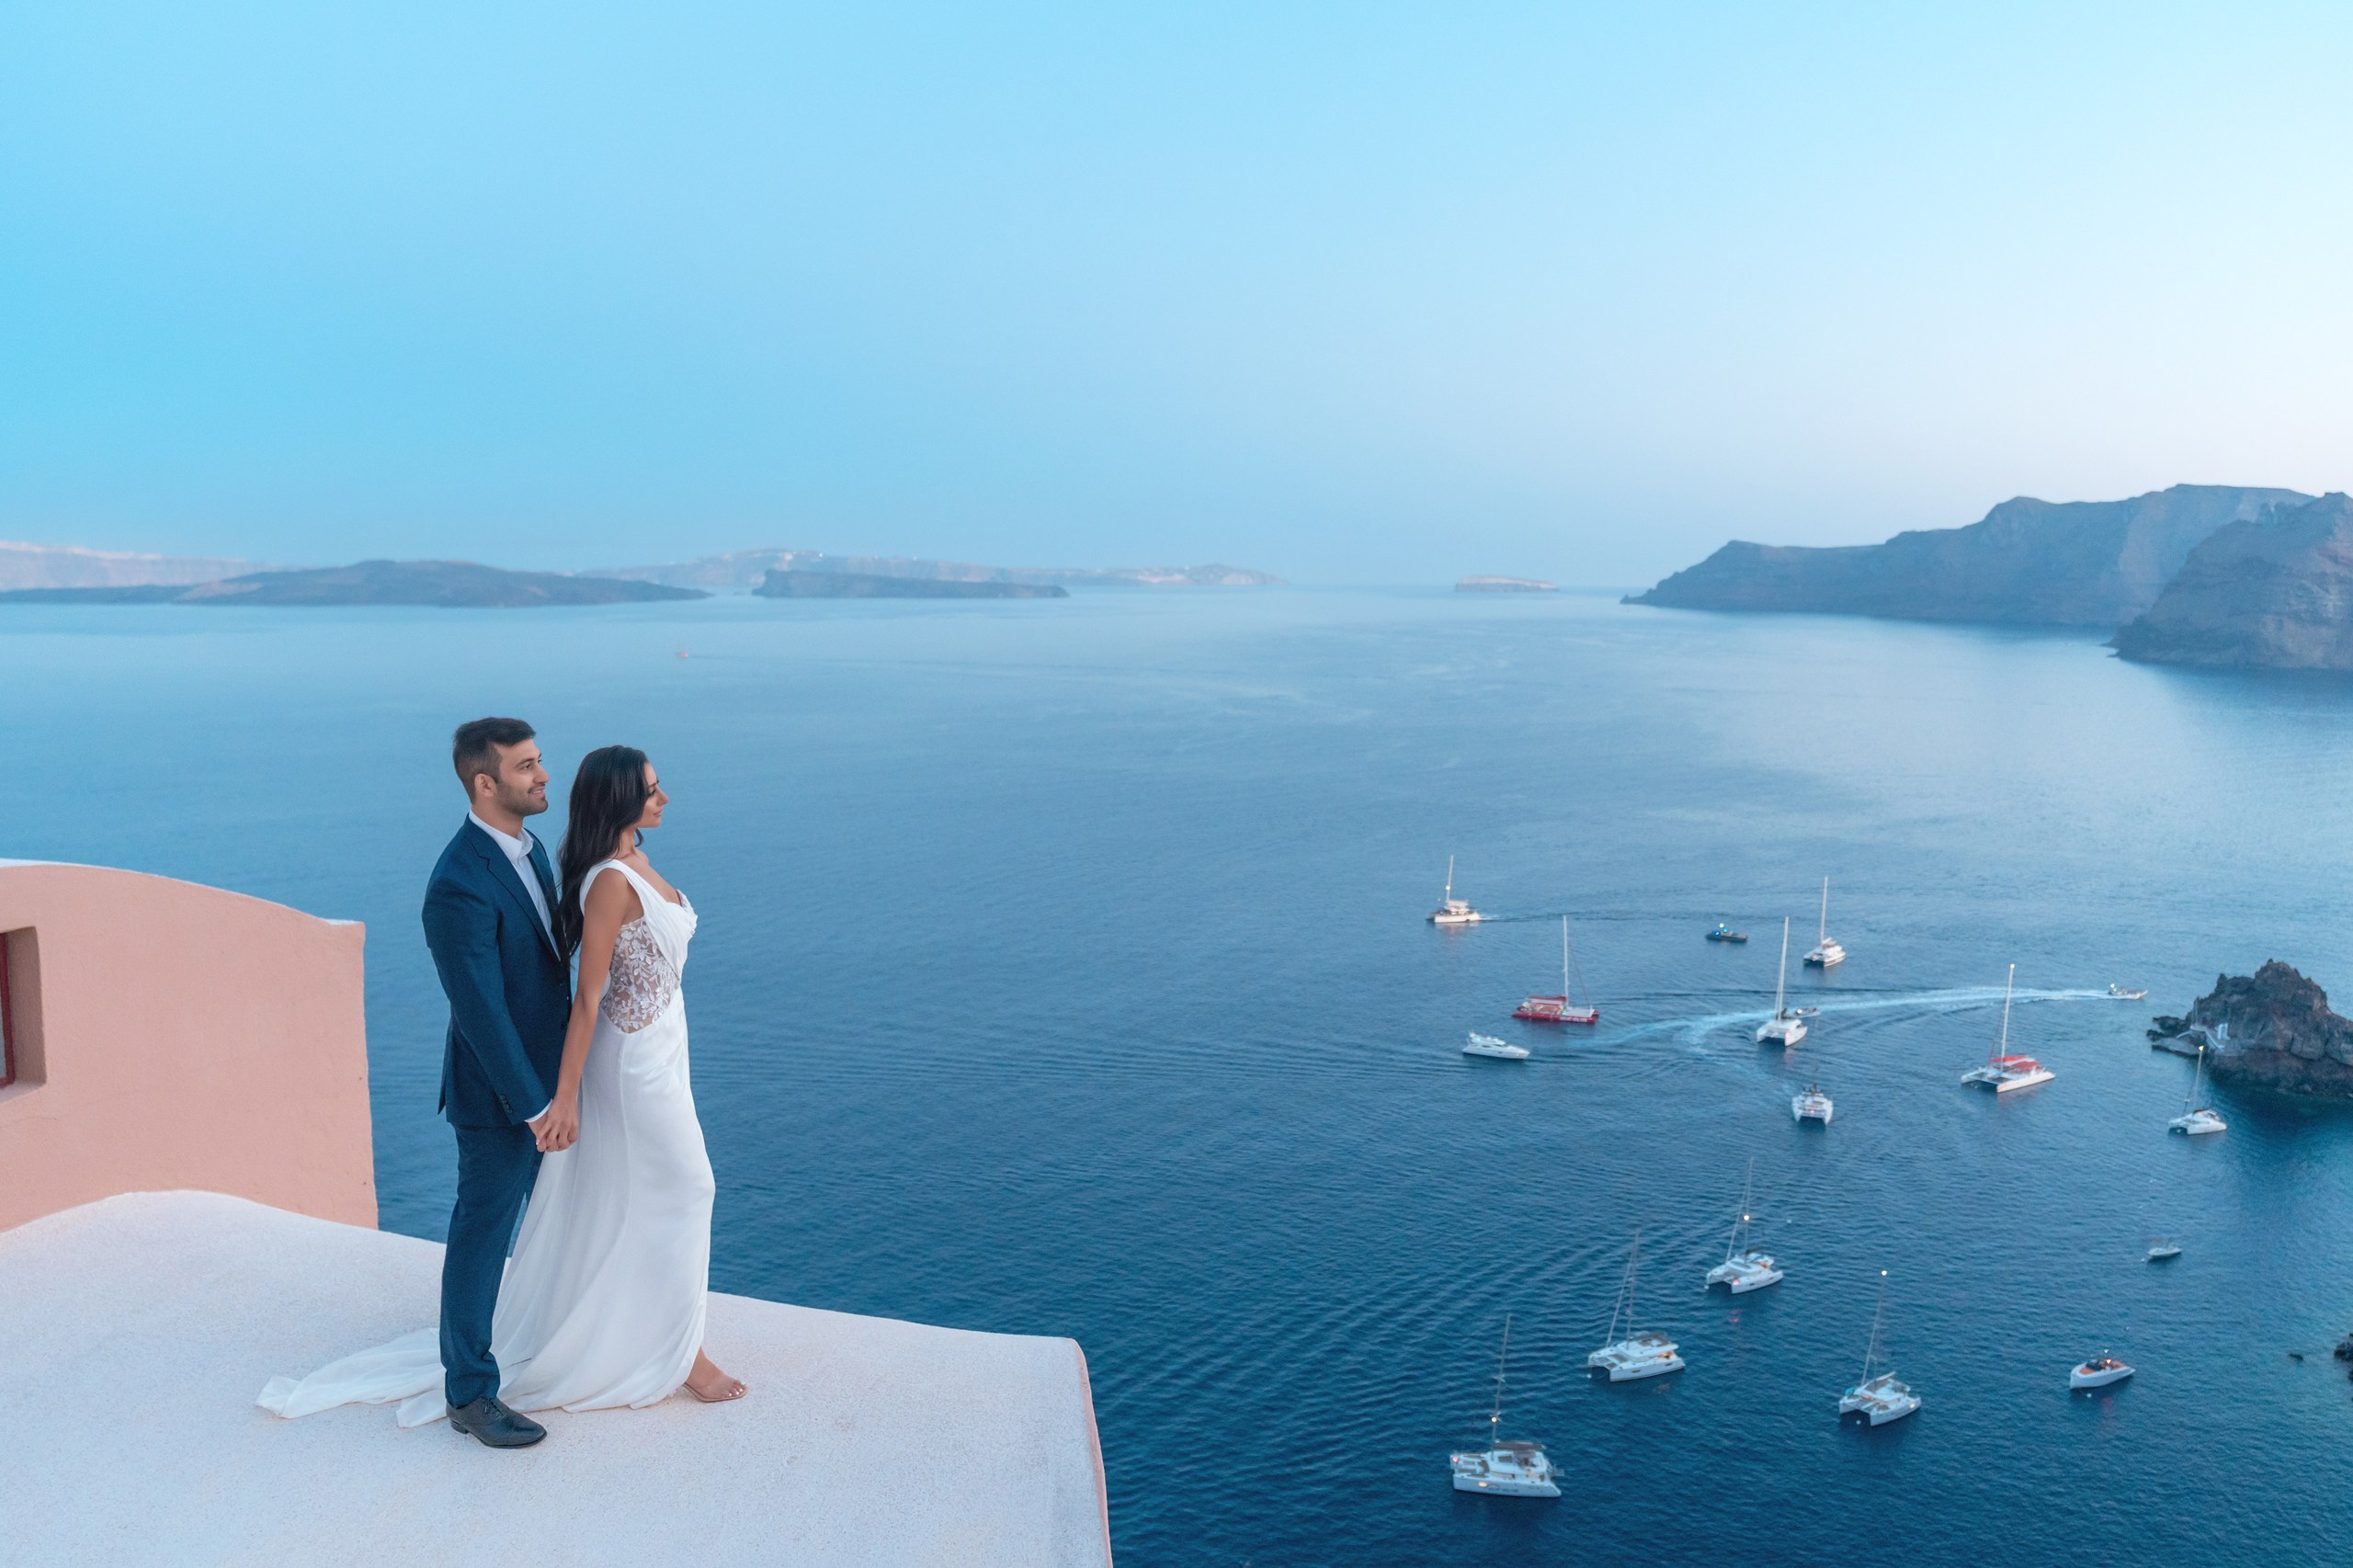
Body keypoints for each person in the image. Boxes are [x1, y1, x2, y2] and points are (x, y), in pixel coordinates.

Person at [256, 727, 742, 1438]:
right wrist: (542, 1105)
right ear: (485, 783)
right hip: (503, 1097)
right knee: (483, 1234)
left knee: (577, 1223)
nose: (544, 776)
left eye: (540, 761)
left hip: (573, 1077)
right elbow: (480, 1011)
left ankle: (599, 1343)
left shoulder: (532, 851)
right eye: (526, 766)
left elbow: (560, 969)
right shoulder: (457, 884)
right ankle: (470, 1394)